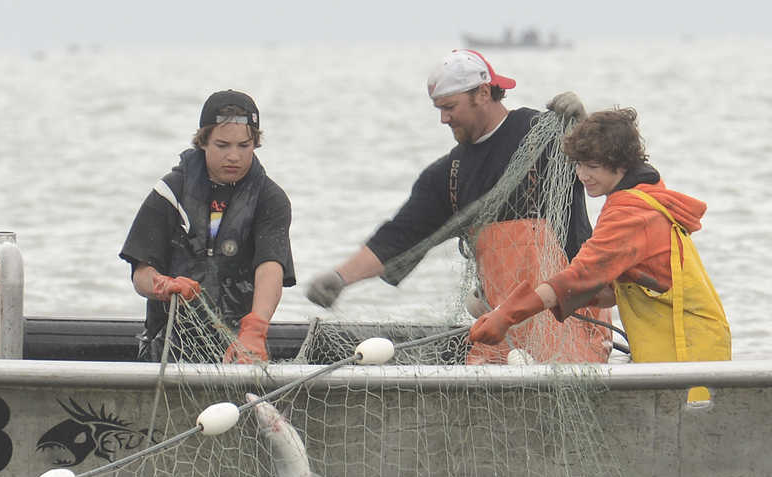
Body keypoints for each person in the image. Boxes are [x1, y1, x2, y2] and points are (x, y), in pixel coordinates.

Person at [305, 48, 609, 364]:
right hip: (503, 332)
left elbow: (608, 169)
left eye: (450, 107)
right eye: (439, 109)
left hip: (573, 323)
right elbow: (396, 240)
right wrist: (340, 278)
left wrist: (584, 126)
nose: (443, 118)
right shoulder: (448, 176)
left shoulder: (545, 135)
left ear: (482, 93)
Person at [469, 107, 731, 400]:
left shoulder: (631, 213)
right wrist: (552, 301)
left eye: (592, 166)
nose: (582, 175)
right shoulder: (646, 196)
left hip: (687, 351)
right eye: (578, 165)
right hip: (690, 341)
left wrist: (509, 314)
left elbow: (581, 275)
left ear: (620, 164)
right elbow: (614, 291)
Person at [120, 90, 295, 364]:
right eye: (222, 145)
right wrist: (163, 285)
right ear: (203, 142)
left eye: (244, 146)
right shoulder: (169, 193)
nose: (234, 156)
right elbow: (140, 274)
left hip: (240, 345)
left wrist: (256, 329)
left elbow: (271, 266)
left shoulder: (271, 200)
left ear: (255, 144)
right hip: (168, 343)